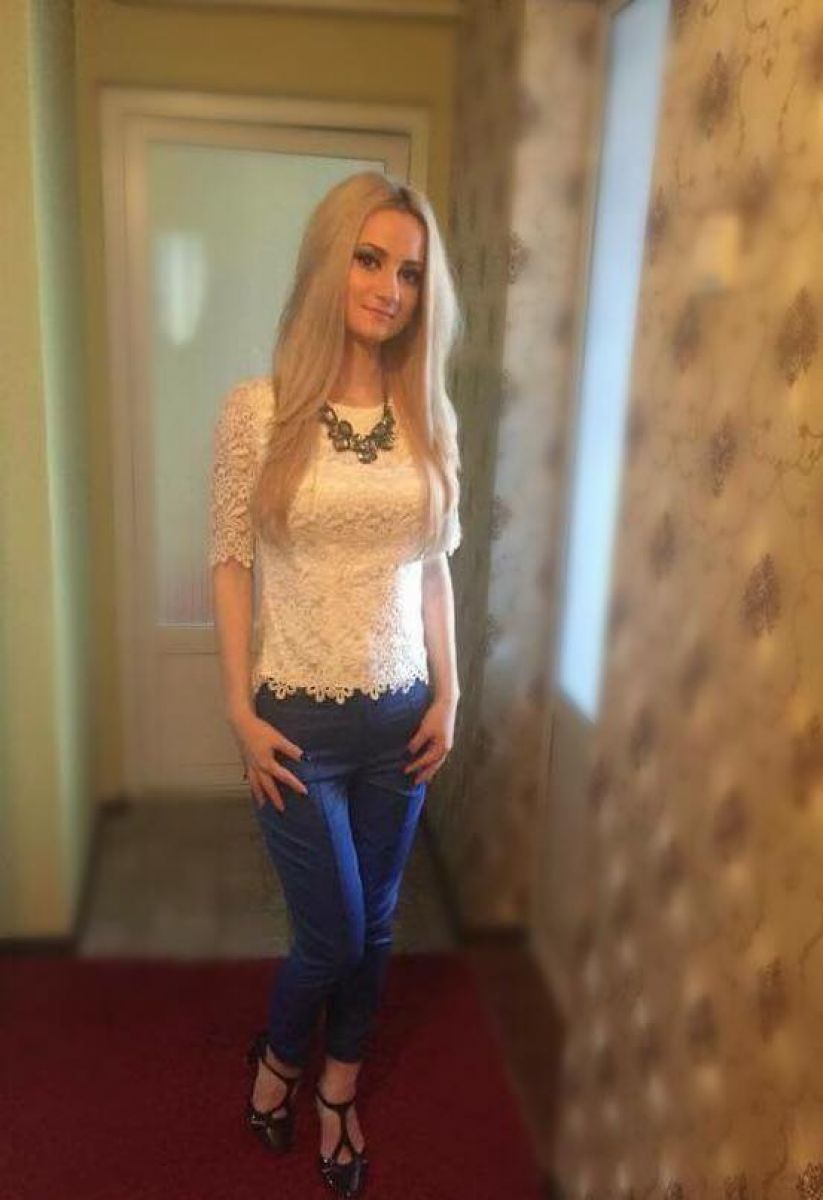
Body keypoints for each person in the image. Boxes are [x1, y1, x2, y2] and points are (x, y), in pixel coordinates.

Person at [208, 171, 462, 1198]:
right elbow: (231, 561)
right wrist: (238, 707)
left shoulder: (427, 416)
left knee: (381, 922)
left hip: (402, 716)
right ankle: (279, 1057)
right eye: (369, 259)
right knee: (334, 933)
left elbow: (433, 569)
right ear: (328, 264)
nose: (389, 288)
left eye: (409, 271)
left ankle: (337, 1092)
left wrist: (450, 694)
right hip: (294, 722)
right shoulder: (257, 411)